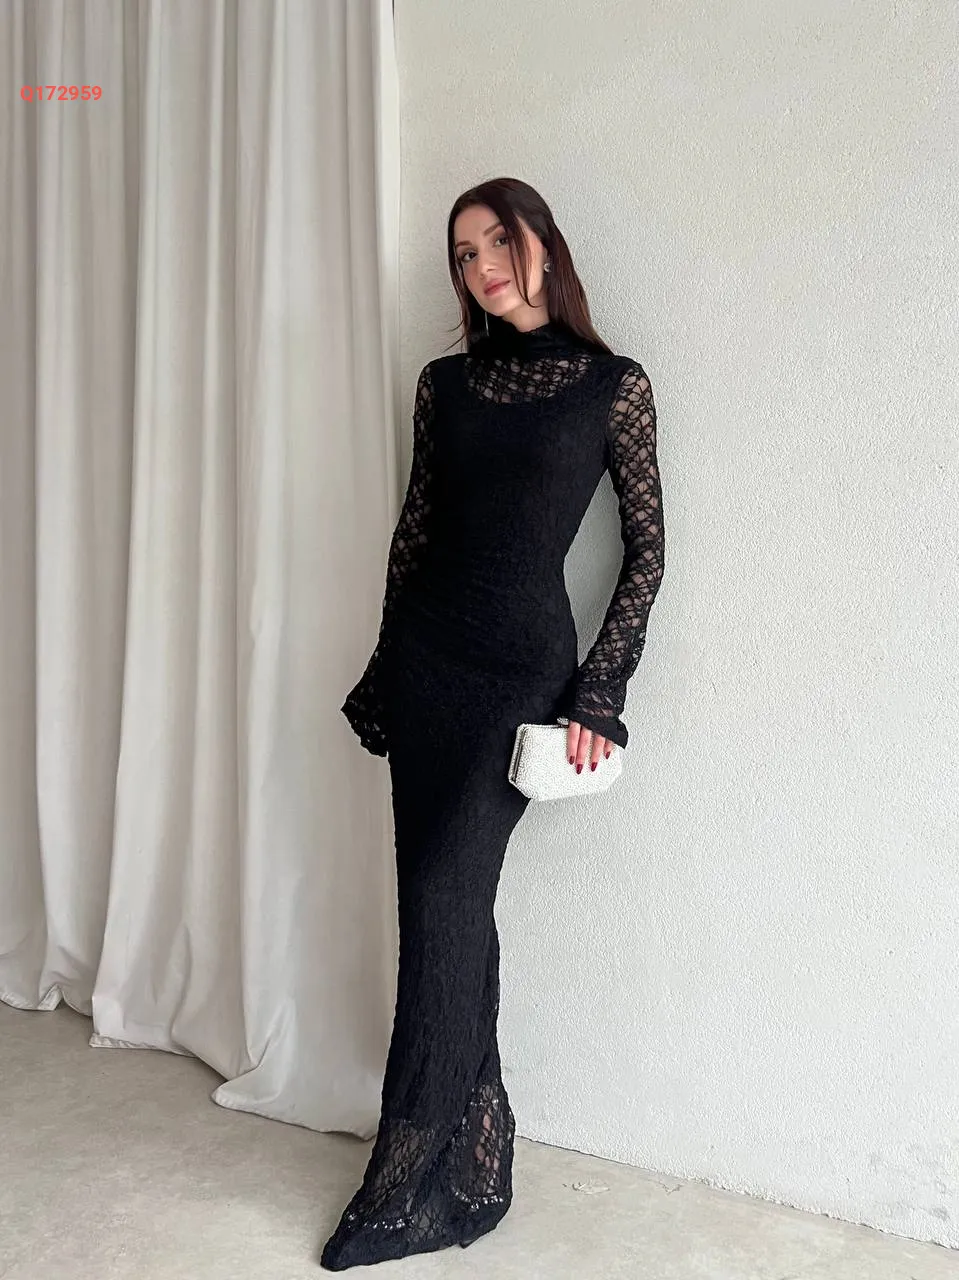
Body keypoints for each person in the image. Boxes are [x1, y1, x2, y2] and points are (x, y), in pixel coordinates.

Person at [320, 176, 666, 1270]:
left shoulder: (611, 386)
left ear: (540, 243)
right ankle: (476, 1149)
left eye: (495, 243)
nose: (480, 268)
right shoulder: (445, 385)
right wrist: (385, 667)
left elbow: (648, 551)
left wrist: (599, 691)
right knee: (446, 912)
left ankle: (403, 1173)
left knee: (441, 900)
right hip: (428, 667)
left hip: (520, 676)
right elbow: (412, 536)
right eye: (462, 255)